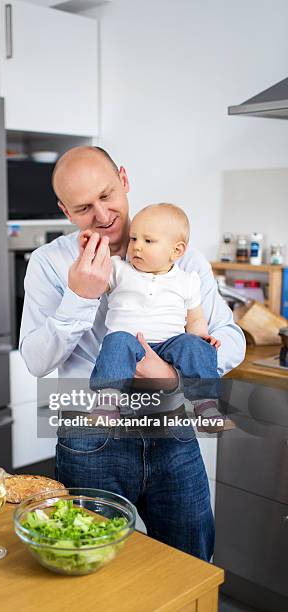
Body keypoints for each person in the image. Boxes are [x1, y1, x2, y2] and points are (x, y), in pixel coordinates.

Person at [19, 146, 245, 561]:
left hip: (173, 430)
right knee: (92, 565)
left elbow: (229, 338)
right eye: (84, 207)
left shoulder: (184, 257)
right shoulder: (49, 264)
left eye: (107, 196)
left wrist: (173, 377)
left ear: (124, 179)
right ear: (64, 210)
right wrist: (79, 297)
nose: (101, 216)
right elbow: (35, 360)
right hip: (91, 436)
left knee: (190, 563)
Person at [88, 202, 235, 432]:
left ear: (176, 251)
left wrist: (201, 338)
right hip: (129, 341)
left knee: (194, 346)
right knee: (115, 341)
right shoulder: (119, 270)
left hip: (170, 343)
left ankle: (205, 405)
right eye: (133, 238)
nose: (136, 247)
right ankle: (108, 400)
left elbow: (194, 319)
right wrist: (92, 259)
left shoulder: (187, 281)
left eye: (148, 241)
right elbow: (94, 286)